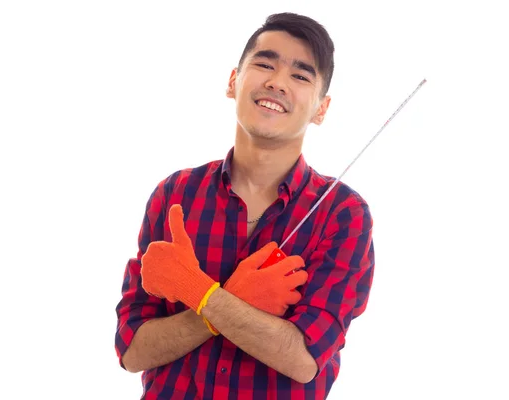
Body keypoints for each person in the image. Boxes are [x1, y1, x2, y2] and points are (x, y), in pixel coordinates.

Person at [115, 12, 375, 399]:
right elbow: (133, 350)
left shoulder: (342, 214)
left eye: (300, 76)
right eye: (264, 64)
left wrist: (198, 291)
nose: (277, 82)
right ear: (233, 81)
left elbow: (304, 358)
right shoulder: (176, 195)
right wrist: (230, 303)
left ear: (322, 109)